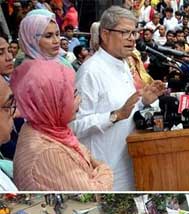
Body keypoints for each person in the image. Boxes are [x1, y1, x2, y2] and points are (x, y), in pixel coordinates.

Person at [72, 6, 165, 190]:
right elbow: (74, 127)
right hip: (107, 171)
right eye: (125, 32)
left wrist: (143, 102)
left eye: (134, 33)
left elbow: (126, 111)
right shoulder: (90, 71)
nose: (132, 38)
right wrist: (114, 116)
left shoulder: (122, 63)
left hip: (130, 160)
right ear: (105, 34)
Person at [10, 59, 114, 190]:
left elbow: (86, 156)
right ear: (50, 101)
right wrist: (104, 169)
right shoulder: (48, 153)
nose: (80, 100)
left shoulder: (47, 127)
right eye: (73, 95)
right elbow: (97, 190)